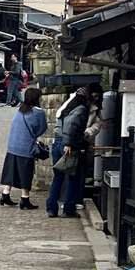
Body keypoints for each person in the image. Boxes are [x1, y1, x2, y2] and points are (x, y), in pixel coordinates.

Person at [47, 84, 98, 219]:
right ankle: (69, 209)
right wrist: (69, 143)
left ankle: (51, 208)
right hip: (69, 145)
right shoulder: (81, 109)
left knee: (58, 177)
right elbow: (72, 126)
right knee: (72, 178)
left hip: (57, 142)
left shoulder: (66, 107)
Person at [0, 86, 47, 210]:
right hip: (26, 147)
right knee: (25, 173)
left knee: (11, 171)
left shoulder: (20, 109)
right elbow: (42, 128)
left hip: (12, 145)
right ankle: (24, 199)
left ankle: (5, 194)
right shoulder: (39, 113)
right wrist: (33, 135)